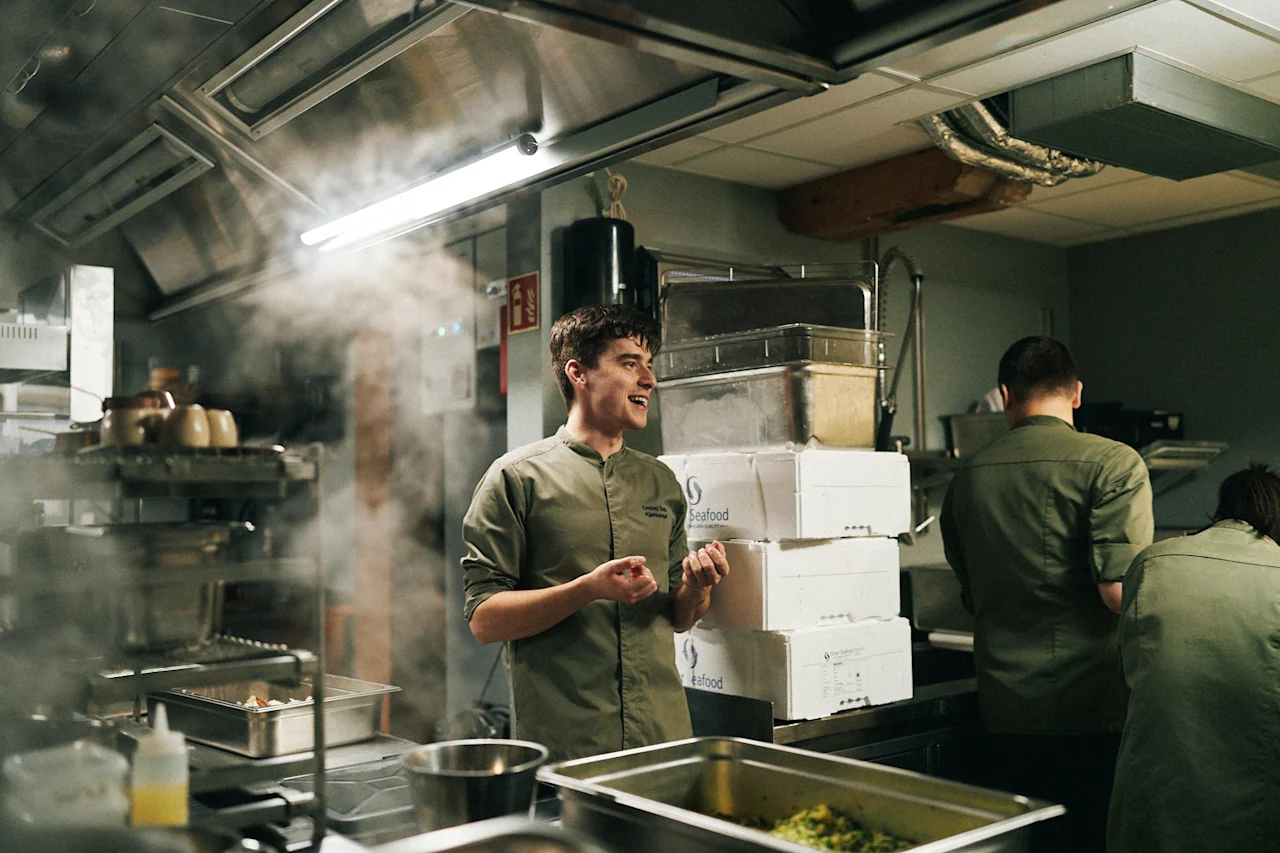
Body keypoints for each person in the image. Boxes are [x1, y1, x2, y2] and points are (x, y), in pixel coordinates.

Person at [460, 304, 730, 761]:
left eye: (649, 365)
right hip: (567, 744)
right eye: (629, 363)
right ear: (578, 373)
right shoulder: (517, 477)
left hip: (661, 735)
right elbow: (485, 620)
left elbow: (678, 617)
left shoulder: (660, 482)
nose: (649, 379)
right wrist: (587, 590)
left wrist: (697, 588)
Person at [940, 336, 1153, 853]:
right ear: (1076, 393)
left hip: (1004, 709)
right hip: (1092, 707)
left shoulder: (968, 476)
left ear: (1005, 395)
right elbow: (1118, 593)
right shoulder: (1114, 463)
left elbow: (970, 591)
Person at [1108, 464, 1280, 853]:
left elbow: (1129, 669)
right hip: (1252, 793)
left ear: (1221, 509)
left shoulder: (1152, 561)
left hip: (1155, 784)